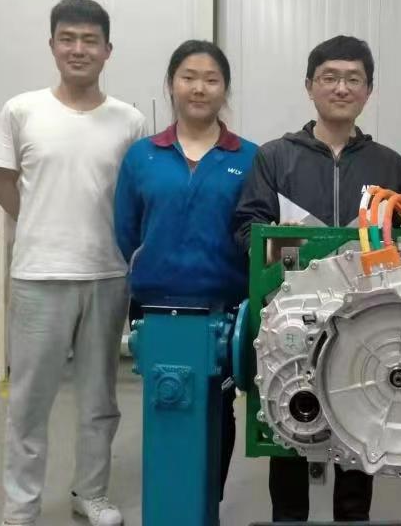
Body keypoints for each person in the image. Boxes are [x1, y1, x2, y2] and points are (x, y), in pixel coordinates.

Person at [233, 35, 401, 522]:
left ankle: (353, 517)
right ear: (310, 85)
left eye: (354, 79)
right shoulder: (275, 157)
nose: (341, 88)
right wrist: (291, 248)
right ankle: (288, 517)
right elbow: (248, 229)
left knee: (361, 424)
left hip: (365, 321)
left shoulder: (389, 165)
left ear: (368, 90)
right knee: (291, 423)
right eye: (330, 77)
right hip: (292, 317)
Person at [0, 0, 146, 526]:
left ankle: (90, 493)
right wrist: (44, 225)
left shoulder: (129, 120)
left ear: (107, 50)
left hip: (107, 275)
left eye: (90, 40)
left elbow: (133, 197)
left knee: (100, 399)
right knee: (29, 401)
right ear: (52, 45)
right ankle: (21, 506)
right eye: (68, 39)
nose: (79, 49)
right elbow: (3, 185)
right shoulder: (21, 110)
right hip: (39, 276)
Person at [114, 39, 257, 502]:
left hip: (223, 314)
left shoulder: (249, 158)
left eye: (211, 79)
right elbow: (126, 230)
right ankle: (170, 502)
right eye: (188, 77)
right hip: (156, 312)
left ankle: (207, 503)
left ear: (225, 89)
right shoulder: (142, 156)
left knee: (219, 413)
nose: (199, 88)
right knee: (166, 405)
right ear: (171, 84)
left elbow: (254, 232)